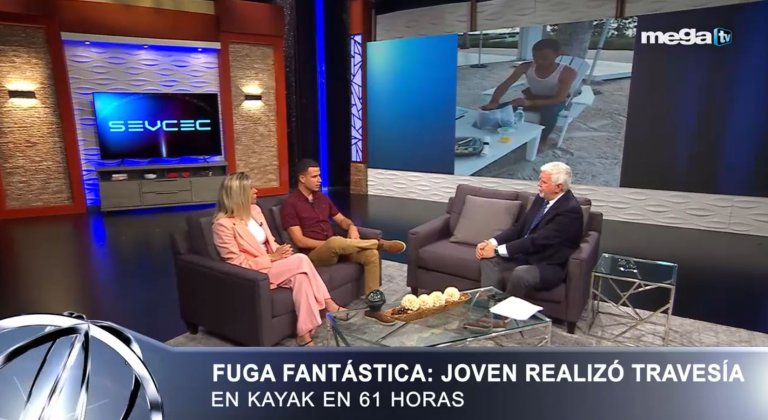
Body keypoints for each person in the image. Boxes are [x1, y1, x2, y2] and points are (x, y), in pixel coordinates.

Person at [212, 172, 349, 347]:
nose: (256, 191)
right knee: (301, 259)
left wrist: (280, 252)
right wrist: (271, 257)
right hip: (257, 272)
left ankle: (304, 334)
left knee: (301, 278)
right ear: (239, 194)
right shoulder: (222, 225)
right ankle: (328, 302)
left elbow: (270, 241)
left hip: (275, 263)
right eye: (251, 188)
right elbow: (236, 263)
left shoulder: (255, 211)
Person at [280, 159, 406, 296]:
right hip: (314, 255)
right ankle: (378, 244)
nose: (320, 180)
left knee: (371, 255)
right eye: (314, 177)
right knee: (335, 242)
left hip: (338, 248)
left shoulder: (322, 198)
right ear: (302, 178)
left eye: (319, 176)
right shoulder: (290, 204)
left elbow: (341, 219)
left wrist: (352, 227)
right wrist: (329, 244)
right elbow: (300, 241)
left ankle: (373, 300)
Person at [475, 161, 583, 298]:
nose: (539, 184)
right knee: (488, 259)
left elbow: (537, 241)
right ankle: (488, 303)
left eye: (544, 182)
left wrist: (496, 250)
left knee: (521, 274)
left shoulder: (570, 211)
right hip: (525, 255)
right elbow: (518, 228)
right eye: (539, 180)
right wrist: (491, 243)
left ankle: (505, 310)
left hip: (549, 264)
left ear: (558, 187)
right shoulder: (541, 198)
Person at [481, 39, 577, 146]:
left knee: (549, 113)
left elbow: (559, 98)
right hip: (533, 97)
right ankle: (497, 135)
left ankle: (542, 140)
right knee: (500, 110)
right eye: (535, 57)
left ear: (558, 54)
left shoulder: (567, 72)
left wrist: (530, 103)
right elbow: (506, 84)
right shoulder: (525, 67)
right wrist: (494, 101)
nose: (539, 61)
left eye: (544, 58)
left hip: (554, 101)